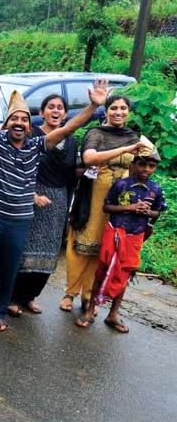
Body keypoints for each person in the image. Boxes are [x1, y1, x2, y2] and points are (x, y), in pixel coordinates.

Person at [0, 60, 110, 333]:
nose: (19, 123)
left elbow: (68, 128)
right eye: (14, 119)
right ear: (6, 124)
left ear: (31, 126)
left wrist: (93, 107)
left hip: (20, 220)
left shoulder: (37, 146)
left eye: (24, 120)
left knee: (9, 269)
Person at [63, 95, 149, 313]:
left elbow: (136, 169)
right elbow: (90, 158)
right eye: (113, 108)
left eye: (122, 108)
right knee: (82, 246)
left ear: (128, 111)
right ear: (106, 111)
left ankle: (89, 295)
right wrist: (124, 150)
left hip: (118, 202)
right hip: (93, 196)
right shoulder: (96, 133)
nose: (118, 112)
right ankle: (69, 293)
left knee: (104, 249)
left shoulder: (133, 136)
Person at [75, 146, 166, 332]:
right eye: (142, 164)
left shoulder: (155, 189)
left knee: (124, 273)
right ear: (134, 164)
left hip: (135, 236)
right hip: (115, 232)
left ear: (155, 168)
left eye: (151, 166)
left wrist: (148, 212)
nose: (146, 169)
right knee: (102, 270)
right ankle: (90, 310)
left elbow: (157, 213)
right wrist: (130, 208)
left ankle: (113, 314)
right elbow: (107, 208)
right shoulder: (121, 185)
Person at [10, 94, 78, 315]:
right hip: (32, 194)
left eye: (60, 107)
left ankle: (30, 297)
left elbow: (71, 174)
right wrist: (32, 194)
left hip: (58, 199)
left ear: (66, 114)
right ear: (42, 113)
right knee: (25, 248)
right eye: (51, 107)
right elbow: (22, 168)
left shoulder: (71, 140)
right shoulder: (33, 136)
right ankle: (12, 297)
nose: (55, 110)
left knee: (49, 250)